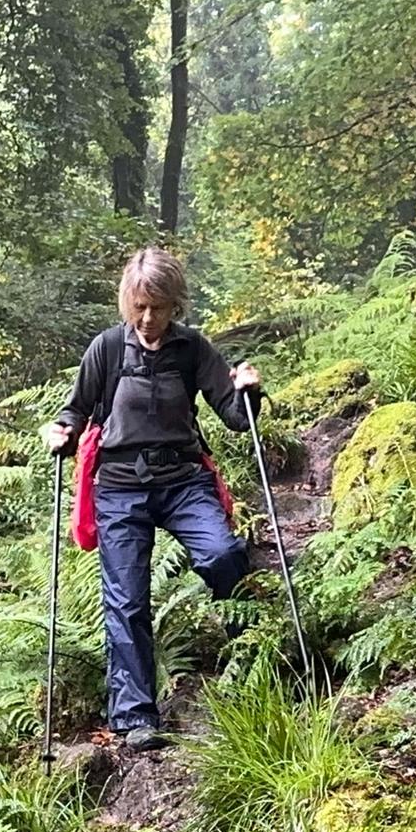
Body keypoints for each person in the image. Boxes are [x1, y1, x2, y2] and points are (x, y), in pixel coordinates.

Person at [39, 246, 263, 753]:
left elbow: (232, 413)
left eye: (157, 307)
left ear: (174, 305)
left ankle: (252, 652)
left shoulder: (192, 350)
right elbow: (75, 411)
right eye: (139, 306)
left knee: (224, 554)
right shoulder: (107, 349)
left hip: (182, 480)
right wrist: (62, 431)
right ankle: (136, 716)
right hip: (119, 486)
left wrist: (247, 391)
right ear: (127, 302)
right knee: (127, 599)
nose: (147, 317)